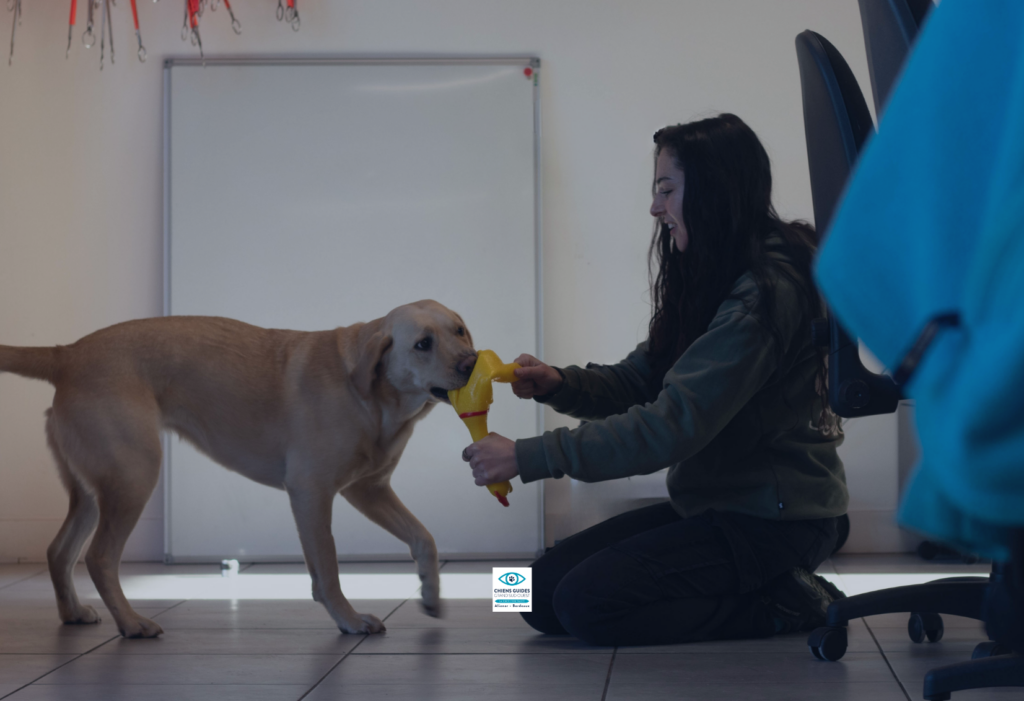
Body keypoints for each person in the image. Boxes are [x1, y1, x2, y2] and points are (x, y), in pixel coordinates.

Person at [461, 113, 848, 647]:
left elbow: (670, 426)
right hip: (709, 507)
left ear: (714, 191)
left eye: (667, 189)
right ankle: (762, 587)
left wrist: (528, 456)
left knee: (584, 604)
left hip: (775, 522)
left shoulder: (765, 294)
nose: (654, 207)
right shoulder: (715, 275)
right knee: (523, 592)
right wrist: (558, 383)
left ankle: (792, 601)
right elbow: (643, 379)